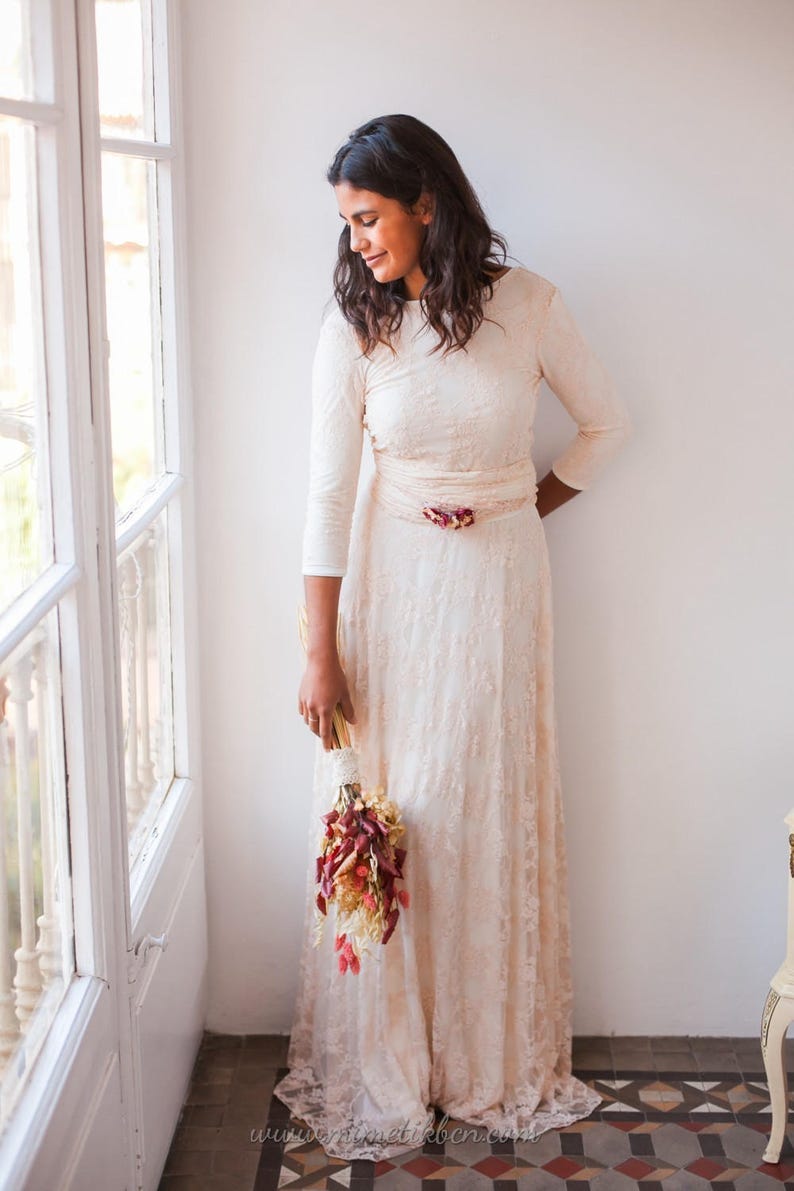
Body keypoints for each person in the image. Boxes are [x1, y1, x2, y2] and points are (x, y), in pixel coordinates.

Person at [273, 113, 632, 1162]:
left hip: (497, 590)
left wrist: (521, 507)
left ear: (425, 202)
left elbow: (606, 423)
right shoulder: (352, 329)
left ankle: (480, 1059)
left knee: (481, 810)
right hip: (392, 590)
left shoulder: (528, 306)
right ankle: (393, 1060)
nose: (356, 244)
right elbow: (325, 496)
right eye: (345, 225)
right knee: (399, 813)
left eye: (368, 217)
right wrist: (318, 646)